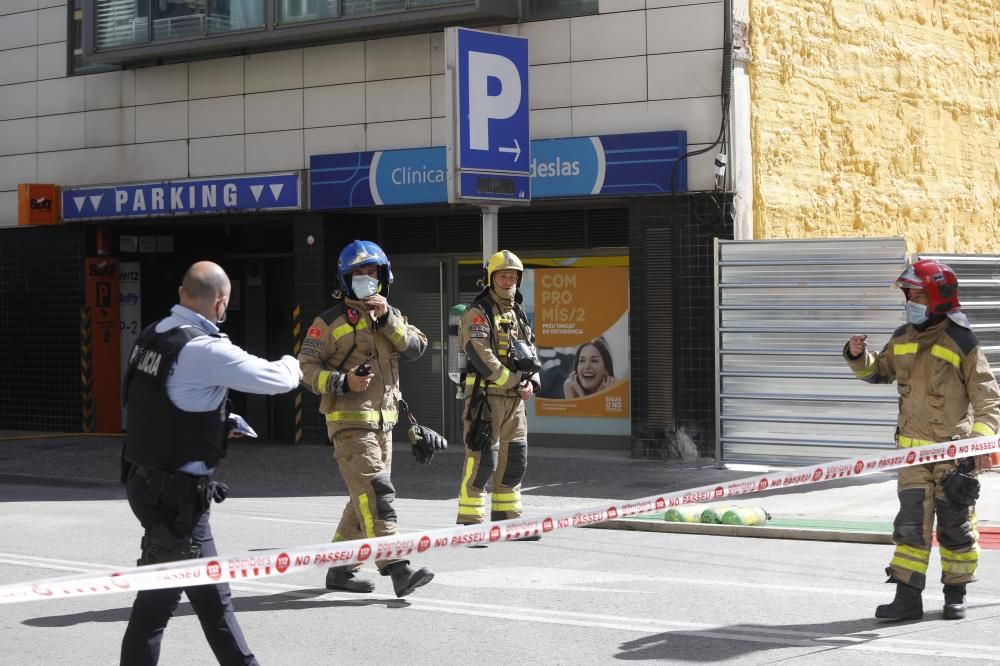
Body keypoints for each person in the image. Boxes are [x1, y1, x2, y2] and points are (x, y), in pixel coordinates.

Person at [120, 261, 302, 666]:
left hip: (144, 482)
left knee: (205, 598)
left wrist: (217, 422)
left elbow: (148, 403)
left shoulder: (152, 337)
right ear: (221, 302)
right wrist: (297, 360)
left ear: (184, 293)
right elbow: (277, 379)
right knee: (167, 607)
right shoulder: (204, 348)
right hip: (179, 500)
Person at [844, 259, 999, 622]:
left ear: (936, 299)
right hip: (911, 459)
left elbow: (988, 400)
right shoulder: (901, 338)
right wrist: (856, 356)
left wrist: (978, 445)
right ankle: (907, 599)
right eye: (907, 295)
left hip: (953, 457)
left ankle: (955, 593)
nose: (909, 302)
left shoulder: (962, 341)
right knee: (911, 526)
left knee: (955, 525)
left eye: (915, 295)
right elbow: (878, 372)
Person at [298, 240, 439, 597]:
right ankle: (397, 567)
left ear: (383, 276)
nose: (365, 279)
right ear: (346, 280)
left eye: (371, 272)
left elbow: (417, 348)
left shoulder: (391, 315)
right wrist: (343, 381)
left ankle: (340, 569)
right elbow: (305, 369)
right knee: (377, 493)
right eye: (357, 274)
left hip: (384, 424)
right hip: (348, 422)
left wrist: (387, 318)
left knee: (362, 498)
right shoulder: (329, 322)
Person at [456, 250, 541, 539]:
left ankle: (509, 520)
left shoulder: (516, 312)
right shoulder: (477, 313)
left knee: (515, 460)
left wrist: (532, 382)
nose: (508, 281)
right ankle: (471, 523)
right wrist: (516, 381)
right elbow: (482, 356)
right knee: (482, 461)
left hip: (515, 402)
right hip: (485, 401)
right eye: (503, 275)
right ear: (490, 279)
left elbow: (530, 350)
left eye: (513, 276)